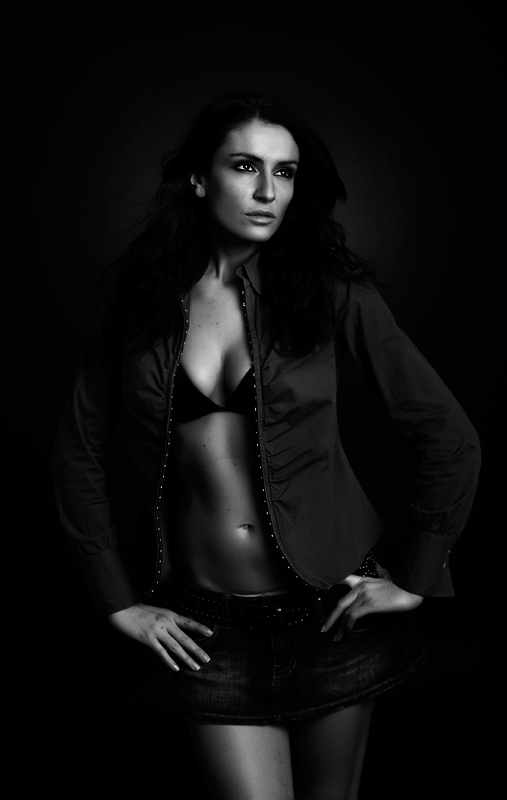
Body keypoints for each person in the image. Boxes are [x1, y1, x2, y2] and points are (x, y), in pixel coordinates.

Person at [52, 91, 481, 800]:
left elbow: (448, 436)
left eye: (284, 173)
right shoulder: (139, 296)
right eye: (245, 166)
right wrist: (116, 599)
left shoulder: (332, 291)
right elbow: (79, 449)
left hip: (332, 613)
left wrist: (414, 576)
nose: (266, 191)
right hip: (209, 627)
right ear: (199, 178)